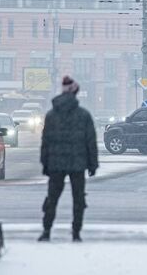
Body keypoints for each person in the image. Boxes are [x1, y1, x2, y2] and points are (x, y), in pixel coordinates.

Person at [38, 76, 99, 242]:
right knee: (78, 199)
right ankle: (76, 232)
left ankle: (46, 230)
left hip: (55, 164)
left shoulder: (51, 115)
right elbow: (91, 141)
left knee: (52, 198)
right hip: (78, 164)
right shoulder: (83, 115)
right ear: (75, 94)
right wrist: (93, 165)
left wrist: (45, 163)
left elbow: (45, 141)